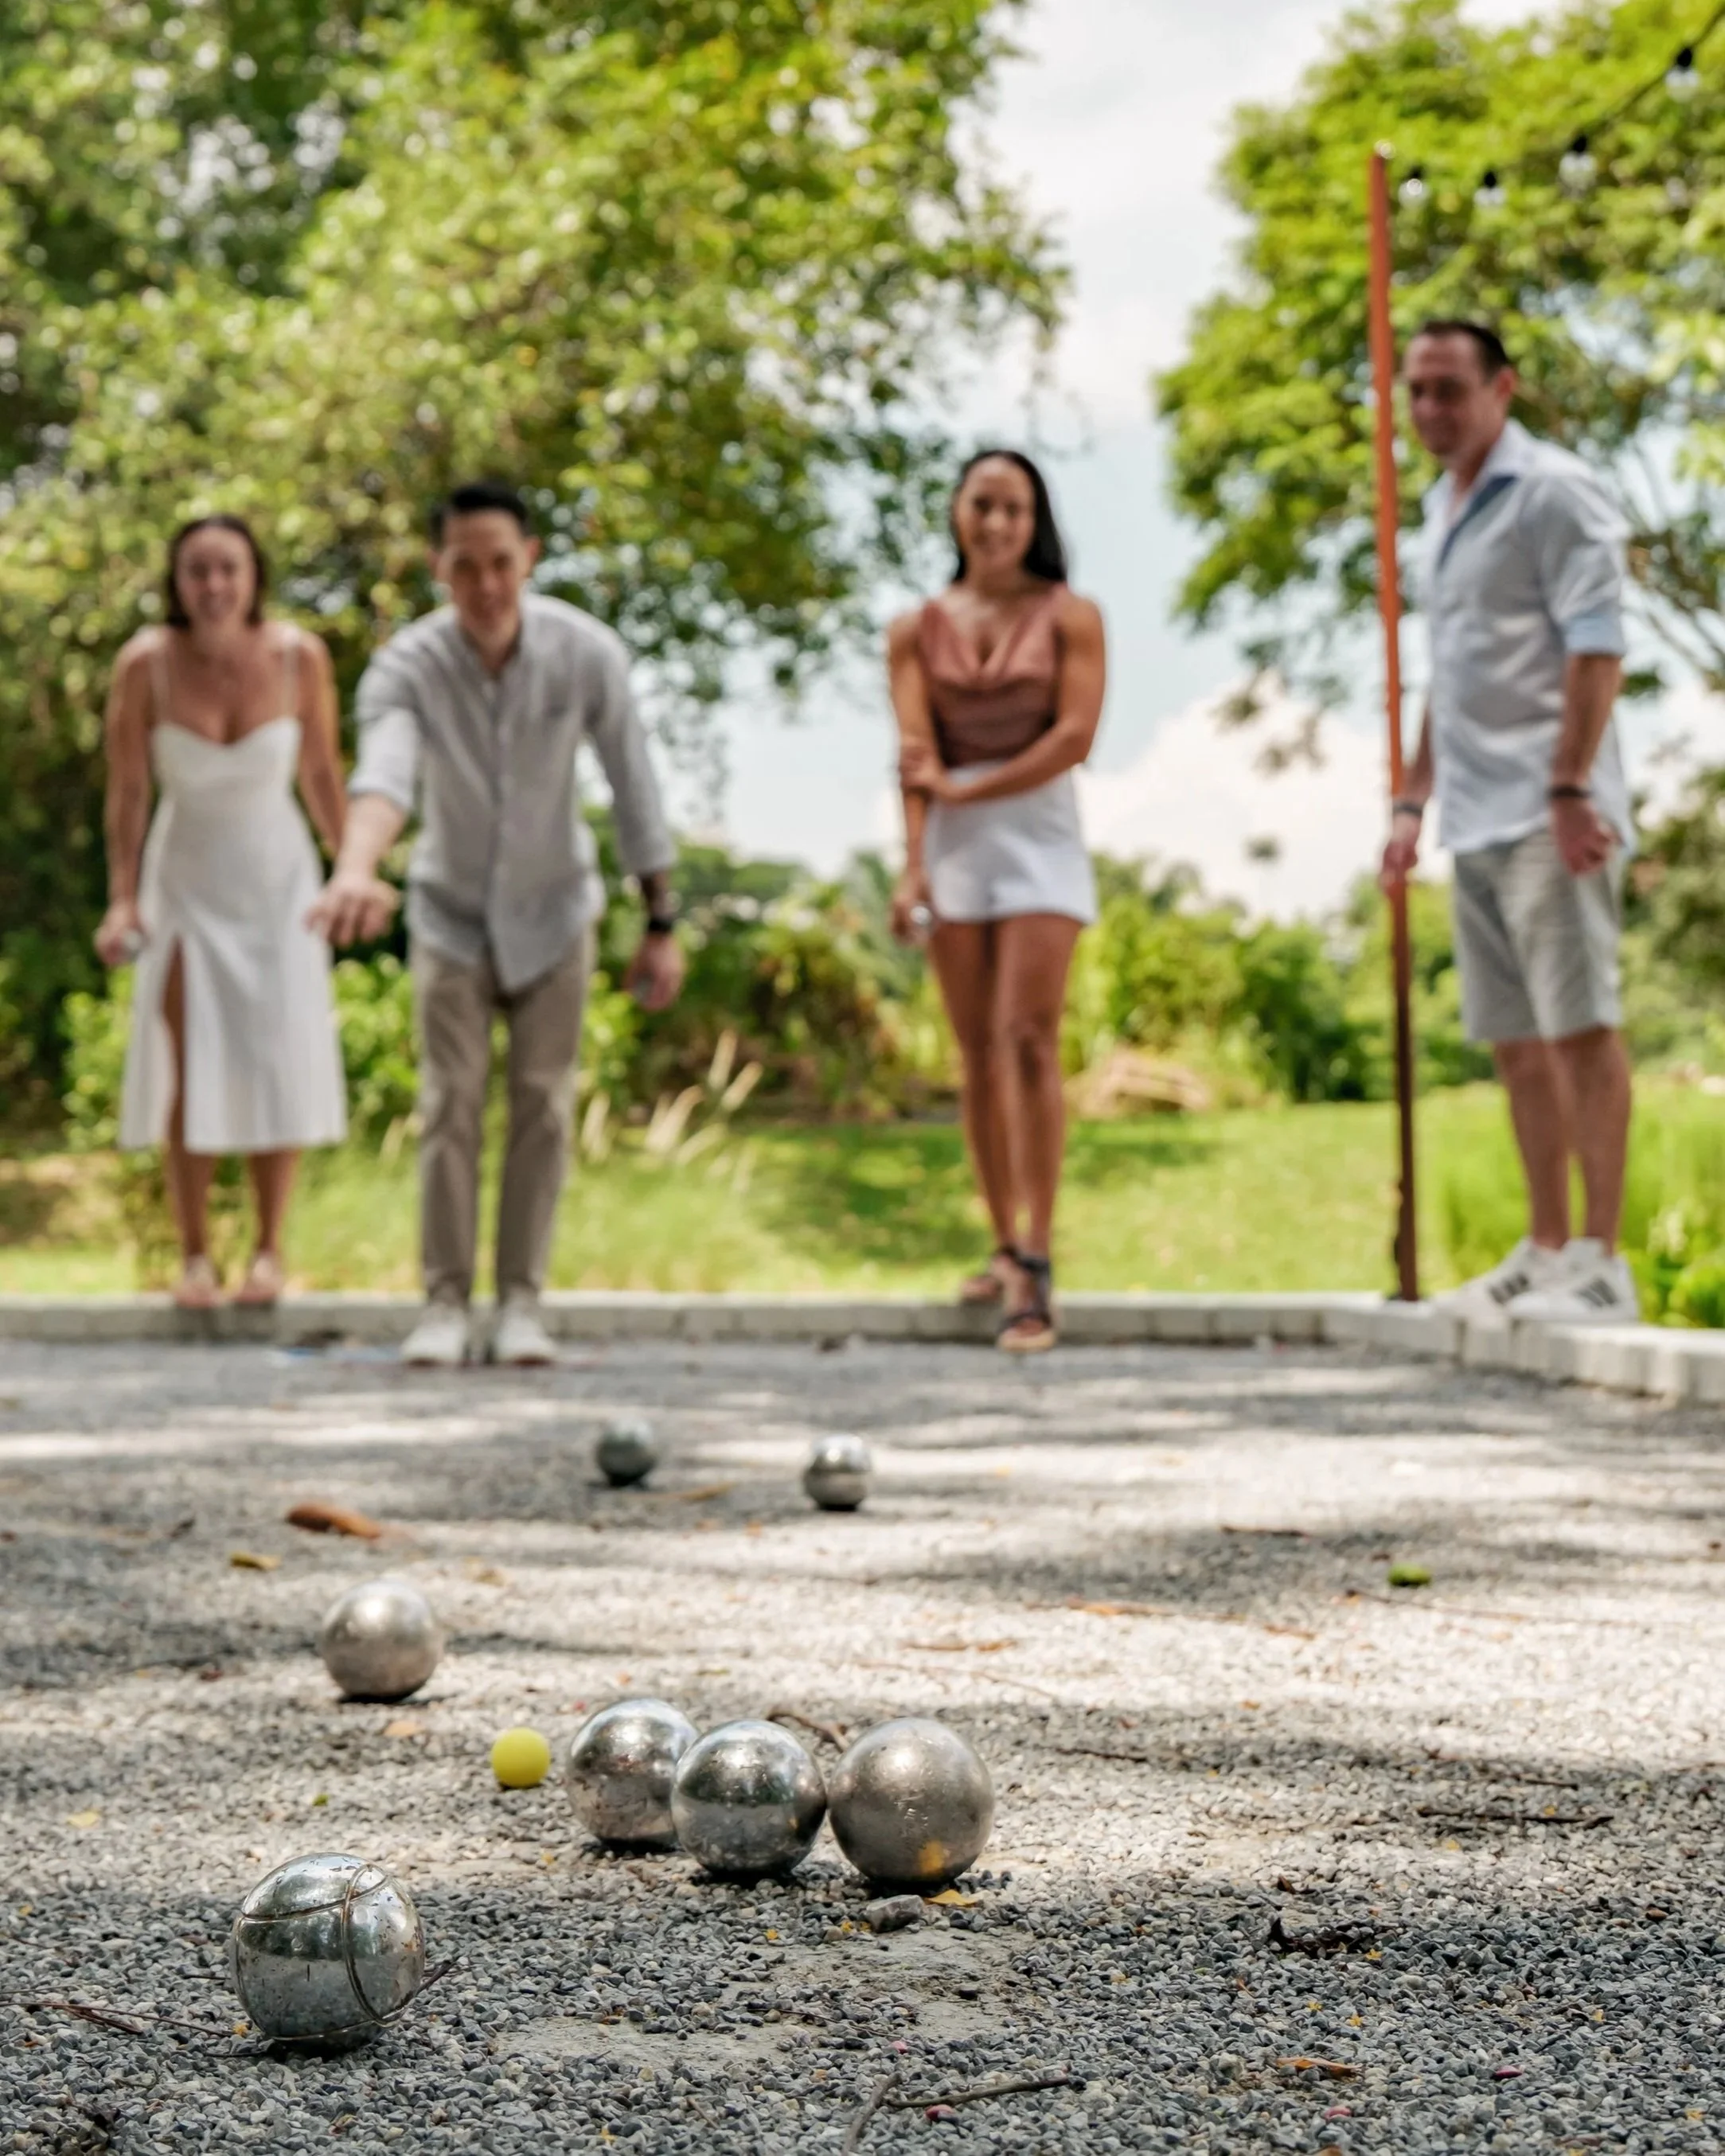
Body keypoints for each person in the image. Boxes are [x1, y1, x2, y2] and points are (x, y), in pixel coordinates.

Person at [309, 480, 683, 1367]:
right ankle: (444, 1304)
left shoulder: (587, 654)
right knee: (450, 1104)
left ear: (531, 561)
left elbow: (635, 786)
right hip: (449, 913)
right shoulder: (408, 665)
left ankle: (521, 1302)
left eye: (501, 564)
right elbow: (386, 776)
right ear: (439, 569)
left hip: (557, 912)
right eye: (465, 567)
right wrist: (356, 868)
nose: (485, 585)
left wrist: (661, 918)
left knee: (544, 1108)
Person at [1382, 320, 1636, 1324]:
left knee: (1579, 1026)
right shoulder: (1440, 514)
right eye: (1416, 392)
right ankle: (1542, 1248)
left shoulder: (1553, 494)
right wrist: (1410, 804)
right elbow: (1452, 680)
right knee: (1514, 1042)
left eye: (1449, 390)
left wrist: (1569, 785)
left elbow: (1597, 643)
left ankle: (1600, 1261)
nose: (1430, 410)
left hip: (1549, 811)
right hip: (1474, 817)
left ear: (1502, 389)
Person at [96, 515, 349, 1308]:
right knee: (188, 1060)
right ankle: (196, 1255)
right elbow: (129, 793)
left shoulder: (298, 657)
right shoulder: (145, 665)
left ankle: (270, 1253)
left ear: (253, 576)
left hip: (277, 880)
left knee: (276, 1052)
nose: (213, 586)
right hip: (186, 882)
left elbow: (321, 776)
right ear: (176, 582)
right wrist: (122, 898)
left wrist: (354, 872)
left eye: (228, 570)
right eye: (197, 571)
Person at [888, 449, 1106, 1354]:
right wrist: (913, 866)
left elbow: (1074, 737)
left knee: (1027, 1037)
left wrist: (968, 791)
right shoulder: (913, 629)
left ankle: (1040, 1257)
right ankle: (1002, 1241)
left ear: (1035, 520)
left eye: (1014, 508)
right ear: (956, 514)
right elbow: (912, 756)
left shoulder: (1072, 616)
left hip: (1037, 831)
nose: (996, 522)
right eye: (982, 504)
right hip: (954, 841)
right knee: (976, 1051)